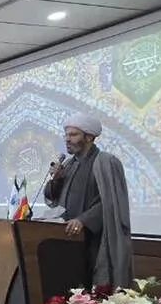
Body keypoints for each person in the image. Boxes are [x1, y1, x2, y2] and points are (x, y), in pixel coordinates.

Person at [43, 113, 133, 287]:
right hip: (66, 239)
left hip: (95, 240)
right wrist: (57, 179)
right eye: (66, 135)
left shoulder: (106, 162)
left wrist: (83, 220)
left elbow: (110, 202)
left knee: (95, 287)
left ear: (89, 137)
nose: (67, 139)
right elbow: (52, 198)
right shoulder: (68, 165)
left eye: (73, 134)